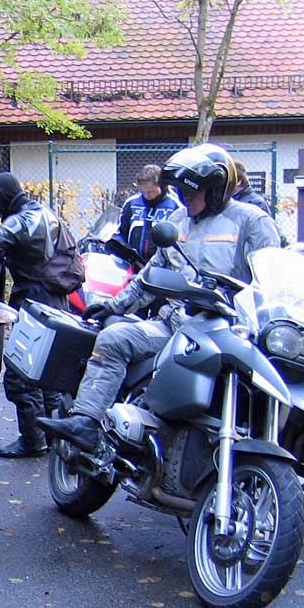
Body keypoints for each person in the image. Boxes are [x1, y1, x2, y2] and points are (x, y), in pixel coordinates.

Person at [39, 143, 282, 452]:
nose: (184, 196)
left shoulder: (251, 221)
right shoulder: (178, 222)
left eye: (192, 190)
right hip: (176, 325)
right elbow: (151, 275)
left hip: (229, 331)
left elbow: (273, 278)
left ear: (216, 189)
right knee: (113, 338)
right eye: (180, 190)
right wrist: (112, 306)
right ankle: (86, 421)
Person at [0, 172, 84, 459]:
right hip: (58, 301)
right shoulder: (46, 212)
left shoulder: (21, 221)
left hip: (35, 303)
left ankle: (33, 441)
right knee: (50, 373)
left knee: (21, 374)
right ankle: (55, 437)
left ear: (1, 198)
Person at [112, 164, 184, 263]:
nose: (146, 195)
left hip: (164, 265)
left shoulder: (176, 206)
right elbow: (120, 233)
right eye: (143, 191)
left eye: (150, 191)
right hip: (134, 263)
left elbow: (182, 239)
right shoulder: (131, 203)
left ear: (161, 186)